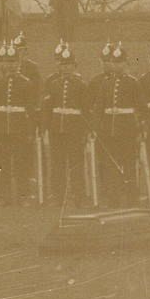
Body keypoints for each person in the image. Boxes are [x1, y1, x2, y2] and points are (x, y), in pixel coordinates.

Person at [88, 43, 145, 207]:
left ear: (126, 63)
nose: (116, 65)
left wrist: (141, 129)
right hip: (108, 131)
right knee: (110, 166)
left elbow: (141, 108)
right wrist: (95, 128)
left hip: (127, 131)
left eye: (120, 62)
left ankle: (132, 199)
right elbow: (99, 108)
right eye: (114, 62)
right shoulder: (106, 83)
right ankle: (113, 200)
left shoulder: (133, 83)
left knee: (129, 165)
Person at [0, 40, 39, 205]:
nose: (10, 66)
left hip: (20, 129)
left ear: (18, 63)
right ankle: (3, 196)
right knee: (1, 164)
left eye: (13, 62)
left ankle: (24, 195)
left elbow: (31, 110)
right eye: (7, 62)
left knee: (21, 163)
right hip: (0, 129)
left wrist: (31, 131)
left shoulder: (26, 83)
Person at [41, 42, 90, 206]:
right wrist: (46, 128)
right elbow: (48, 109)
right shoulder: (54, 84)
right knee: (57, 164)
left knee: (76, 164)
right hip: (57, 130)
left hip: (74, 130)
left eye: (69, 65)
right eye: (63, 65)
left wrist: (84, 132)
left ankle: (79, 196)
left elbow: (85, 110)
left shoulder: (82, 85)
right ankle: (58, 196)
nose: (66, 69)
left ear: (74, 66)